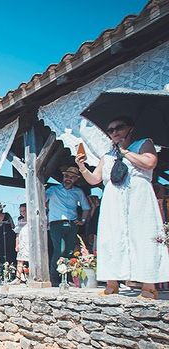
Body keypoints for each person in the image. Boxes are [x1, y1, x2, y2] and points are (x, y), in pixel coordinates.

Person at [75, 116, 169, 299]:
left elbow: (150, 163)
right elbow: (95, 180)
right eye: (110, 130)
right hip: (113, 198)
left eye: (119, 127)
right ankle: (112, 283)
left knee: (143, 235)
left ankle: (149, 286)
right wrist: (82, 167)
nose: (115, 132)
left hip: (138, 194)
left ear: (130, 128)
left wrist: (124, 152)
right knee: (112, 238)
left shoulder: (143, 144)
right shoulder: (107, 155)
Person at [45, 166, 90, 286]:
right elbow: (41, 199)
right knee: (59, 250)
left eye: (71, 177)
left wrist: (83, 220)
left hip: (72, 224)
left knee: (70, 252)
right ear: (63, 177)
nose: (68, 179)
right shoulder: (53, 189)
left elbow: (86, 207)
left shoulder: (78, 192)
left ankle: (68, 278)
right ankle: (54, 279)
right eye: (66, 176)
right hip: (56, 224)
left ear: (76, 179)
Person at [0, 202, 16, 267]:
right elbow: (13, 226)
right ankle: (8, 268)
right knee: (7, 253)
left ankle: (8, 268)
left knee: (7, 253)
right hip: (4, 238)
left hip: (6, 238)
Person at [12, 203, 30, 284]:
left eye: (24, 210)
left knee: (30, 260)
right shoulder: (20, 221)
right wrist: (17, 244)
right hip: (22, 241)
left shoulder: (32, 220)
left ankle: (30, 276)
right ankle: (18, 277)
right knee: (20, 260)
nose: (23, 212)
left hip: (30, 242)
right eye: (21, 211)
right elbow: (17, 234)